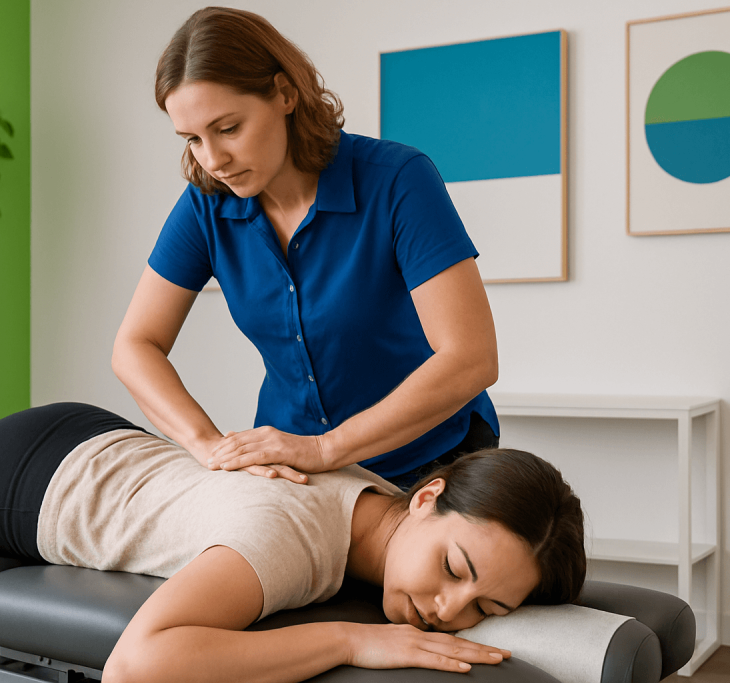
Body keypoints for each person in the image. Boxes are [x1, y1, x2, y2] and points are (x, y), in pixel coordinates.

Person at [0, 402, 586, 683]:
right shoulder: (284, 539)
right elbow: (137, 663)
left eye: (485, 605)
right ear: (425, 497)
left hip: (109, 445)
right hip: (28, 482)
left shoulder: (376, 508)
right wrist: (351, 640)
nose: (447, 607)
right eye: (455, 568)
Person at [112, 6, 501, 491]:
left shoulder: (397, 180)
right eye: (192, 139)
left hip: (433, 462)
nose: (213, 160)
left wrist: (325, 448)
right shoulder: (206, 206)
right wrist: (208, 446)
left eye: (229, 128)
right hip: (298, 479)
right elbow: (134, 346)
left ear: (285, 94)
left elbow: (471, 357)